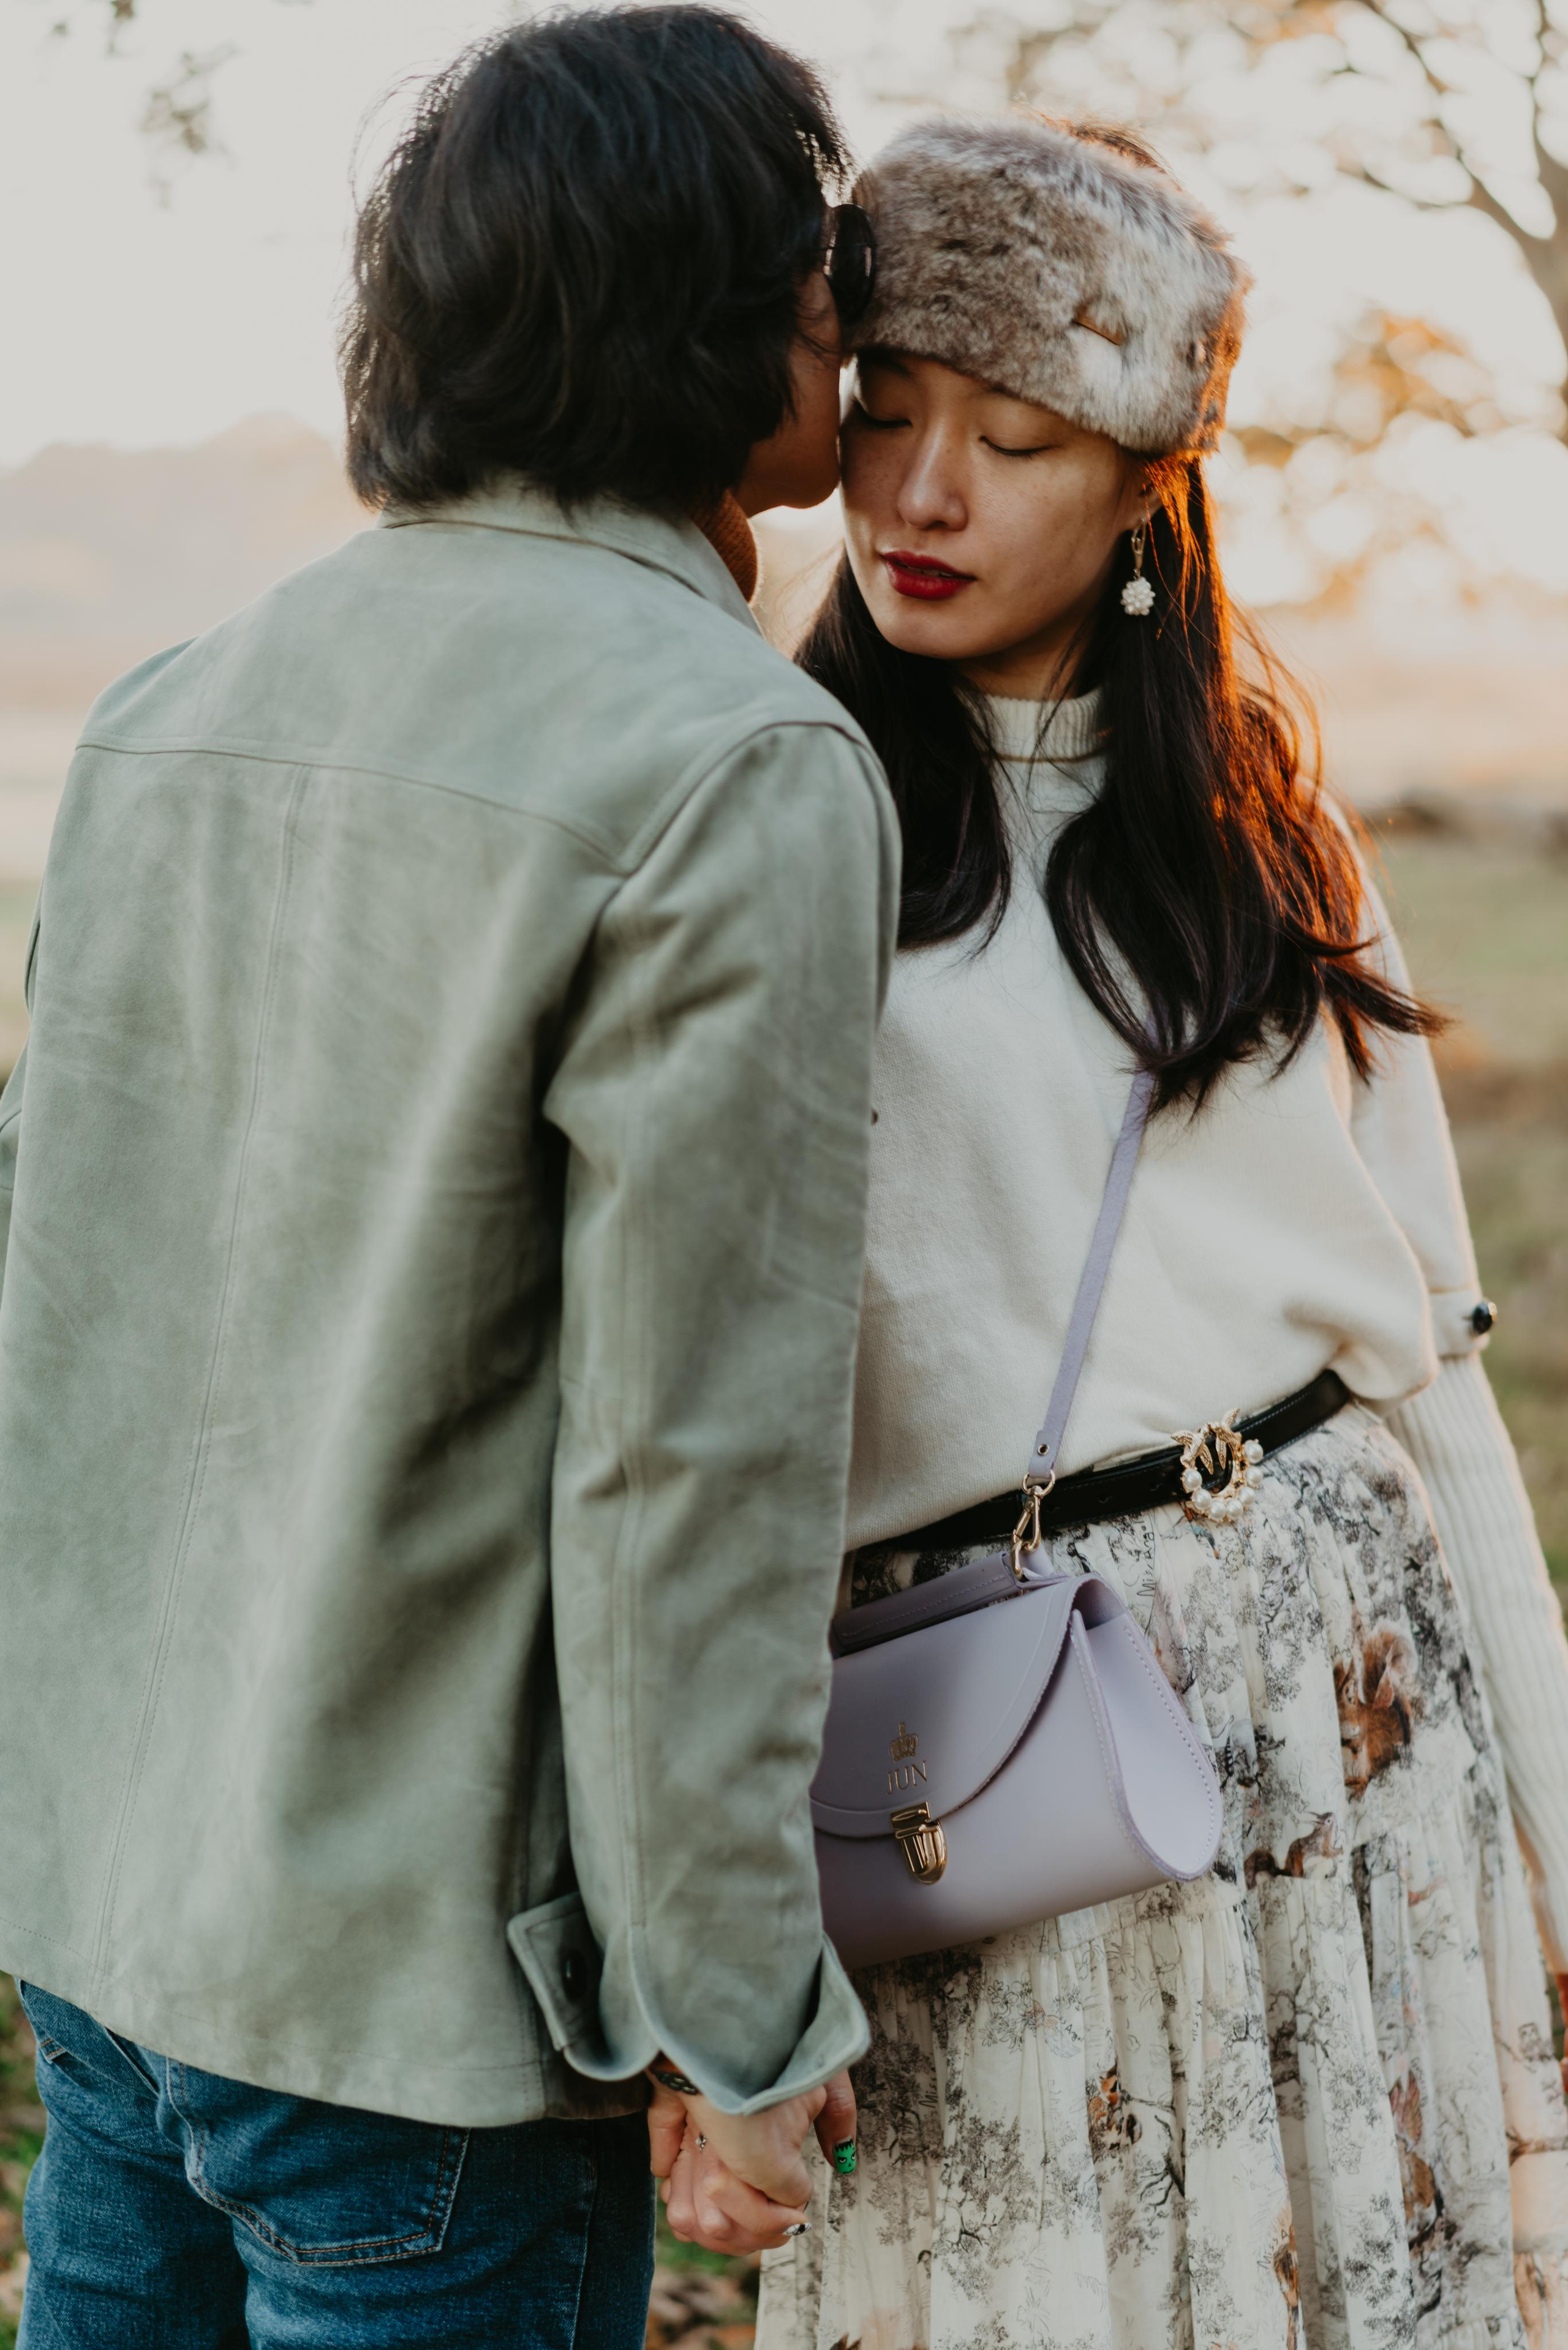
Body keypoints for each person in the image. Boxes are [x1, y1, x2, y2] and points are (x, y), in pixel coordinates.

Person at [0, 12, 896, 2341]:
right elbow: (684, 1476)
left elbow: (58, 1319)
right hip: (414, 2031)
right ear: (701, 310)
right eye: (818, 271)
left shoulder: (168, 700)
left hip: (104, 1933)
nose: (853, 313)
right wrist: (736, 2015)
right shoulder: (732, 765)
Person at [664, 115, 1568, 2349]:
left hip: (1341, 1701)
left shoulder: (1262, 817)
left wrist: (1559, 1816)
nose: (920, 497)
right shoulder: (777, 817)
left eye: (1017, 436)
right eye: (886, 417)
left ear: (1149, 481)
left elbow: (1423, 1349)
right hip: (975, 1765)